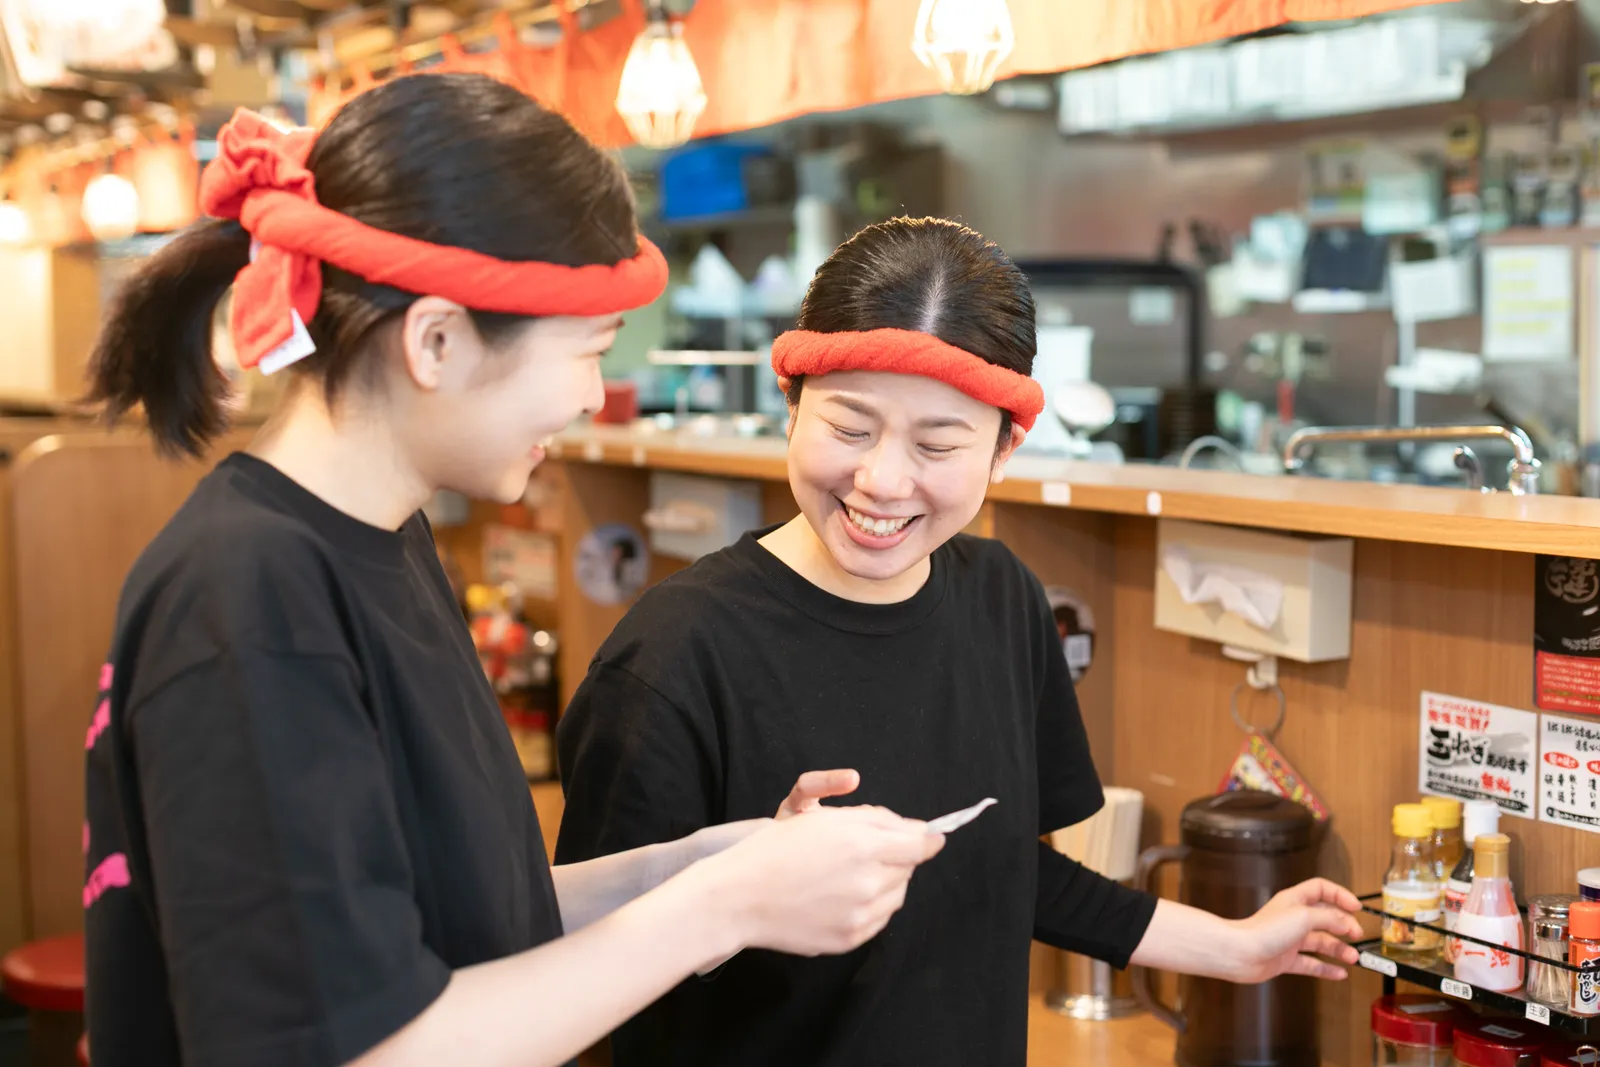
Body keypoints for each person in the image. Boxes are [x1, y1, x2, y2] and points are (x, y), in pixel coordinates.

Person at [80, 74, 948, 1067]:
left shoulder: (387, 538)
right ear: (438, 339)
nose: (591, 397)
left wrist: (711, 862)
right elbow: (359, 1045)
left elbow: (461, 915)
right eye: (587, 351)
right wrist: (721, 908)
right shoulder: (245, 596)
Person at [554, 217, 1365, 1067]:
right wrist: (742, 893)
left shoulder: (1003, 599)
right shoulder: (674, 653)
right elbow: (577, 971)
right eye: (850, 427)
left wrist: (1234, 946)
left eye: (938, 443)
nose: (883, 481)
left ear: (1005, 448)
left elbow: (1003, 870)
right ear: (790, 402)